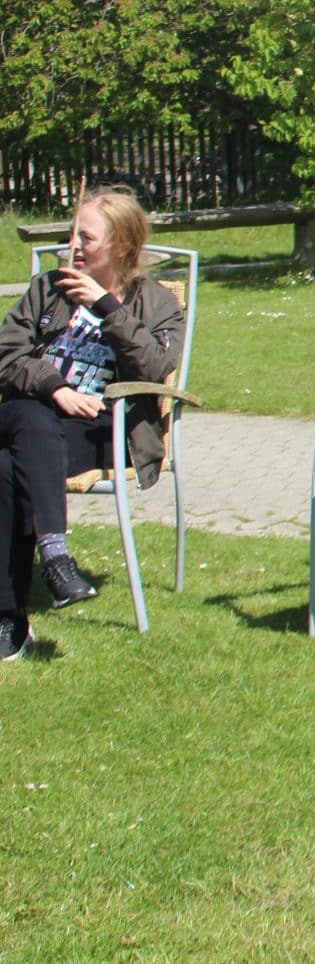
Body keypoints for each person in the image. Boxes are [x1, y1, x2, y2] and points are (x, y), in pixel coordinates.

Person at [0, 187, 184, 660]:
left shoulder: (157, 304)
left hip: (101, 428)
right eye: (71, 235)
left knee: (6, 469)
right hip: (26, 415)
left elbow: (155, 368)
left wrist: (107, 307)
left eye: (86, 237)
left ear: (122, 245)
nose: (73, 246)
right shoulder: (48, 289)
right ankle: (56, 556)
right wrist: (54, 387)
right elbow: (7, 355)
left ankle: (9, 617)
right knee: (31, 416)